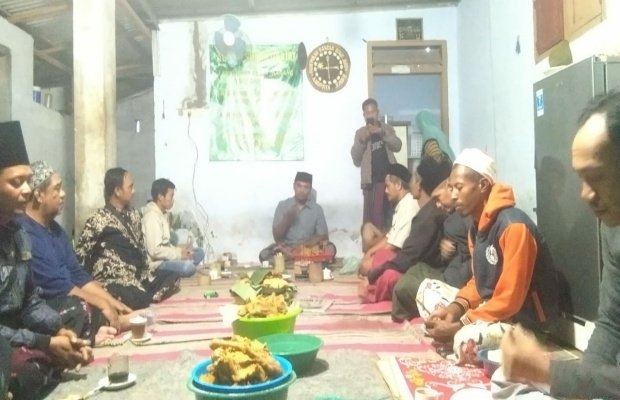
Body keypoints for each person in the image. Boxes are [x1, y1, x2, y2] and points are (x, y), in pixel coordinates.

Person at [500, 90, 620, 399]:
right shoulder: (613, 226)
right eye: (581, 178)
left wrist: (549, 371)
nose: (585, 194)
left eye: (597, 176)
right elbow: (611, 322)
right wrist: (580, 387)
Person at [422, 149, 559, 365]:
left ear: (483, 185)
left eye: (459, 187)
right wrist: (454, 310)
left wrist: (462, 323)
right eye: (451, 188)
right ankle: (456, 328)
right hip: (492, 310)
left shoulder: (514, 227)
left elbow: (510, 300)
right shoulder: (476, 228)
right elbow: (480, 282)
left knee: (465, 338)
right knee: (426, 289)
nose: (454, 195)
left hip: (524, 323)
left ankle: (463, 337)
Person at [0, 121, 92, 400]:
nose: (28, 190)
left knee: (74, 318)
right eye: (16, 183)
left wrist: (58, 330)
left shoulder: (19, 235)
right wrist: (45, 341)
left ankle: (47, 357)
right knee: (21, 370)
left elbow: (30, 302)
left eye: (28, 180)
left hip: (19, 331)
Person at [18, 161, 139, 340]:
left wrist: (112, 303)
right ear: (39, 195)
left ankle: (109, 322)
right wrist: (102, 304)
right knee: (79, 308)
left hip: (69, 294)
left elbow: (78, 274)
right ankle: (105, 327)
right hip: (49, 302)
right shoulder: (24, 233)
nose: (63, 194)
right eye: (57, 189)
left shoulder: (56, 231)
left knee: (111, 296)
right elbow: (57, 286)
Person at [76, 168, 180, 310]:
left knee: (173, 277)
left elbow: (141, 247)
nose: (134, 191)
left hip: (138, 276)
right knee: (138, 298)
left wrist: (146, 270)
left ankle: (143, 294)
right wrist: (90, 283)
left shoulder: (134, 215)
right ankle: (134, 296)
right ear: (117, 191)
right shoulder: (98, 220)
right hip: (114, 279)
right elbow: (81, 254)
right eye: (130, 187)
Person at [362, 157, 451, 306]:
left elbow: (406, 258)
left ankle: (372, 291)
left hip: (428, 272)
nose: (410, 183)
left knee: (389, 276)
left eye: (413, 178)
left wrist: (373, 275)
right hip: (416, 265)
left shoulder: (428, 216)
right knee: (382, 260)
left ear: (419, 184)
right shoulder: (427, 211)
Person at [389, 158, 466, 321]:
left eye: (459, 188)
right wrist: (446, 251)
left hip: (456, 286)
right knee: (414, 272)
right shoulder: (455, 215)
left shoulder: (469, 216)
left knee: (402, 285)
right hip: (448, 274)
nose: (437, 205)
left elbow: (473, 265)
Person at [258, 172, 336, 263]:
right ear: (294, 186)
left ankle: (293, 258)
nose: (302, 190)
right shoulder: (283, 205)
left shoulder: (317, 209)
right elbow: (277, 238)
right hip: (287, 248)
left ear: (310, 189)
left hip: (309, 248)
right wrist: (287, 219)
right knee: (264, 255)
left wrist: (302, 246)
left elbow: (323, 236)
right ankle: (297, 258)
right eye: (299, 186)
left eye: (306, 187)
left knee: (331, 248)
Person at [351, 98, 402, 231]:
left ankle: (390, 241)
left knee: (390, 216)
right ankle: (372, 243)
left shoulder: (386, 129)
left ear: (377, 112)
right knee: (371, 220)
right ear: (364, 115)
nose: (370, 115)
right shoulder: (360, 133)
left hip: (389, 180)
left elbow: (398, 146)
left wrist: (381, 133)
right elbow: (356, 160)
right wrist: (362, 140)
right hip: (371, 182)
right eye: (367, 113)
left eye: (372, 112)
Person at [142, 178, 205, 277]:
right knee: (187, 267)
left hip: (167, 258)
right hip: (158, 264)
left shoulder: (163, 215)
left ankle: (186, 265)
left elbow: (166, 245)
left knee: (199, 252)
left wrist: (181, 251)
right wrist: (179, 255)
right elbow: (155, 251)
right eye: (171, 196)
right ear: (160, 197)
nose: (173, 200)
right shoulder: (152, 218)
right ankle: (187, 267)